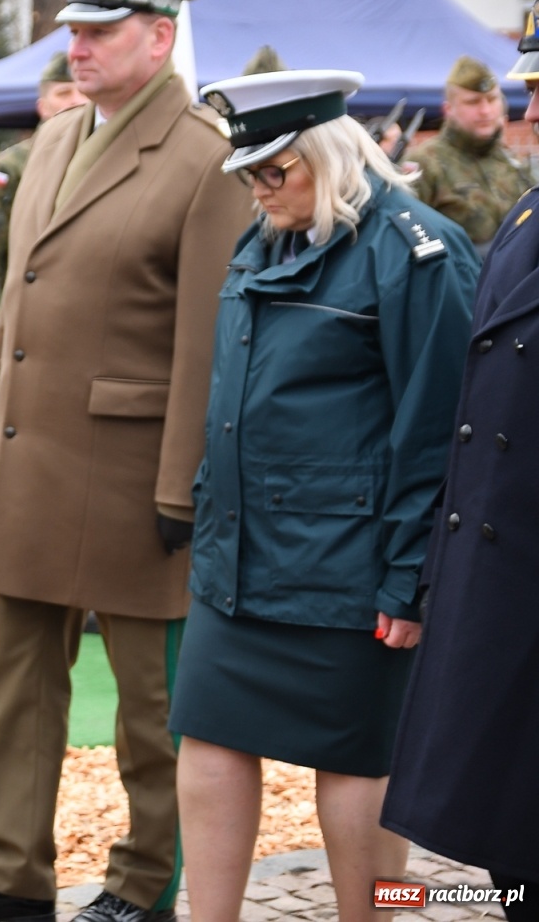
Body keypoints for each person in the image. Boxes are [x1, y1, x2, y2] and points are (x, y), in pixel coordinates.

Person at [0, 0, 252, 922]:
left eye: (99, 32)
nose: (79, 48)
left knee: (150, 708)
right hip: (30, 463)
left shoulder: (204, 157)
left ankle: (145, 884)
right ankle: (12, 879)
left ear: (159, 34)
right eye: (73, 30)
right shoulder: (53, 141)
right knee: (11, 688)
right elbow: (20, 303)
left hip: (135, 475)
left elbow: (205, 342)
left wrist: (182, 485)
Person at [174, 70, 478, 922]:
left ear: (328, 153)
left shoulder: (413, 249)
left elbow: (440, 428)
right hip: (240, 554)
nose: (261, 188)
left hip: (349, 565)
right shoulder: (267, 239)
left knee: (355, 762)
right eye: (250, 172)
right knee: (209, 736)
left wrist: (407, 577)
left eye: (277, 170)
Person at [381, 0, 539, 922]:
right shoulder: (525, 213)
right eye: (525, 92)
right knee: (508, 841)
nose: (527, 114)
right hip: (501, 571)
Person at [0, 52, 85, 360]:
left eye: (82, 91)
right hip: (24, 336)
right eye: (63, 93)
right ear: (43, 107)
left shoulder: (111, 161)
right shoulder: (11, 169)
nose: (75, 100)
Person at [409, 54, 534, 256]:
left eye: (492, 99)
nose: (485, 111)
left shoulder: (510, 160)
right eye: (473, 102)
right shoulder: (424, 163)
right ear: (448, 109)